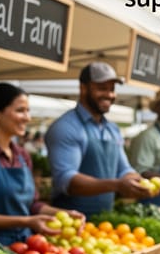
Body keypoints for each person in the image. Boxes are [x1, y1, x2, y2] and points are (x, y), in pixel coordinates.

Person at [0, 83, 83, 245]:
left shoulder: (22, 155)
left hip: (25, 245)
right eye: (20, 110)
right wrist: (25, 221)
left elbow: (32, 204)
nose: (28, 118)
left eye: (28, 111)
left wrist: (62, 213)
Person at [46, 62, 151, 216]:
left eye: (112, 89)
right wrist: (117, 185)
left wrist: (139, 182)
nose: (109, 95)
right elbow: (67, 180)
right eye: (102, 88)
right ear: (83, 88)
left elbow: (123, 169)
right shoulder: (66, 127)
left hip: (105, 221)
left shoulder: (112, 129)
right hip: (70, 222)